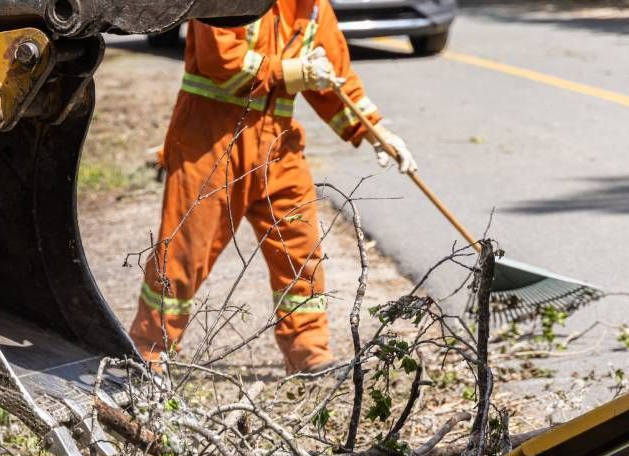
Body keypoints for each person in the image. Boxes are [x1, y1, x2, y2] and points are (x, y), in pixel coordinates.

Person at [129, 0, 416, 374]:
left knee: (300, 248)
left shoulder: (313, 8)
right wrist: (293, 72)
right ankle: (149, 353)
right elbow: (223, 64)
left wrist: (376, 132)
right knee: (184, 253)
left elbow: (334, 78)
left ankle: (308, 352)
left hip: (277, 144)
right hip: (211, 141)